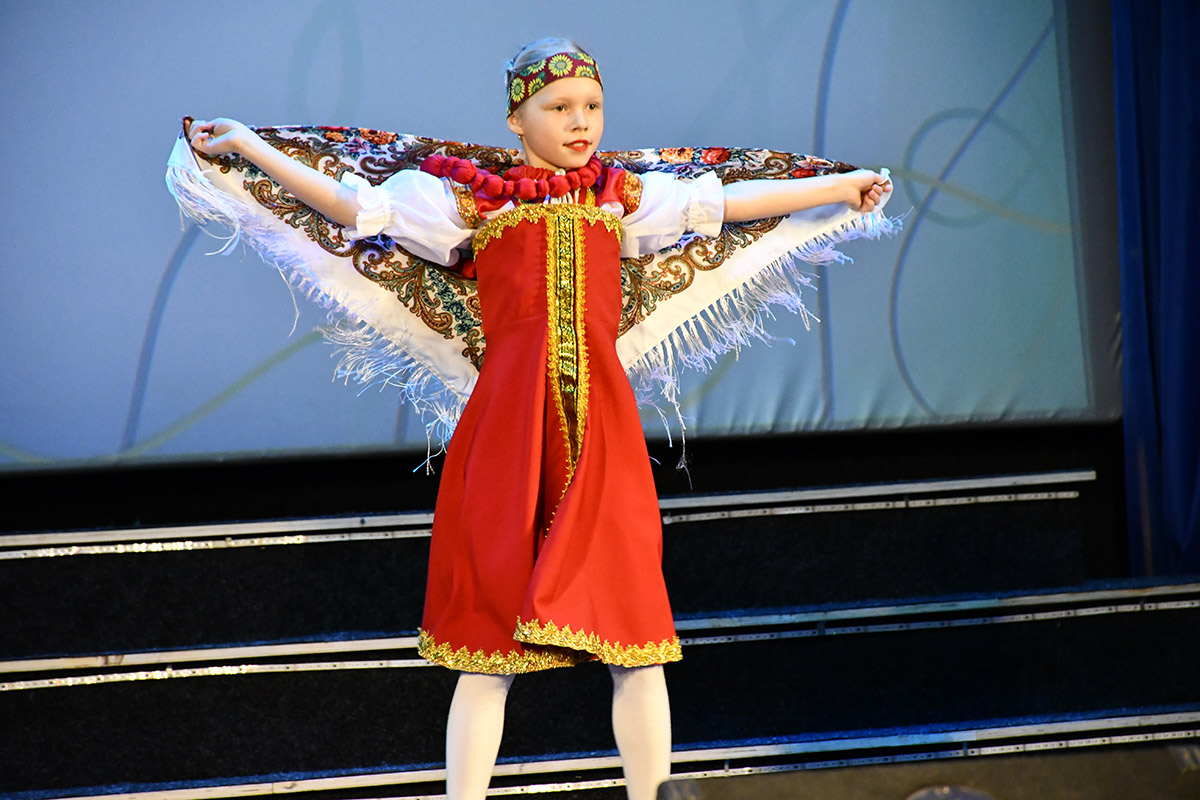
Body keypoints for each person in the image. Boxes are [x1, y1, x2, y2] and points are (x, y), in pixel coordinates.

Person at [183, 37, 891, 800]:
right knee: (489, 646)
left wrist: (838, 186)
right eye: (559, 107)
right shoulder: (465, 200)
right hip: (508, 435)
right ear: (516, 120)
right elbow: (350, 206)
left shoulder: (620, 198)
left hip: (604, 434)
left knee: (637, 640)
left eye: (592, 106)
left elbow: (725, 202)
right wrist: (250, 146)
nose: (580, 122)